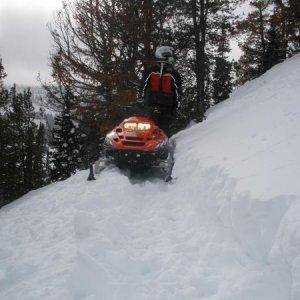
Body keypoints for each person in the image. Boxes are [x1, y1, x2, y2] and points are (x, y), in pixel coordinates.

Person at [137, 46, 182, 136]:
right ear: (162, 56)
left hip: (168, 106)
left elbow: (178, 90)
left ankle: (165, 145)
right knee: (149, 126)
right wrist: (140, 97)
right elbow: (143, 84)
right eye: (168, 56)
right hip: (152, 104)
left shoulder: (173, 73)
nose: (171, 58)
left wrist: (177, 105)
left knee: (165, 128)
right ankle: (146, 144)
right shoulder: (151, 71)